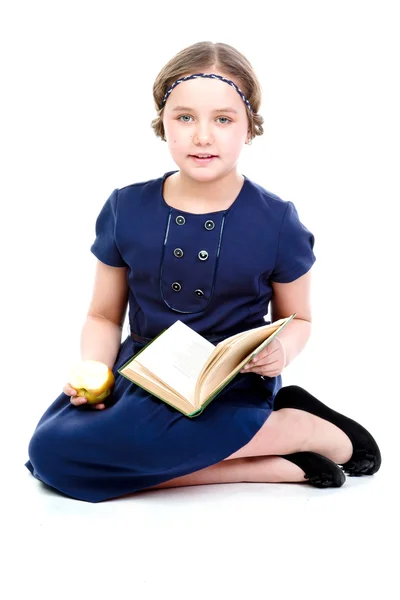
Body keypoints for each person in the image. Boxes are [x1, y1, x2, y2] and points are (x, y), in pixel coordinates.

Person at [25, 41, 381, 503]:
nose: (203, 136)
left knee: (103, 462)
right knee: (51, 454)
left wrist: (282, 354)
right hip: (145, 377)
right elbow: (103, 316)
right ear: (163, 122)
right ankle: (278, 461)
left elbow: (299, 320)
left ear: (249, 126)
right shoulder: (125, 208)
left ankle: (305, 428)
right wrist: (95, 370)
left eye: (223, 119)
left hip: (231, 386)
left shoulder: (276, 221)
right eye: (185, 117)